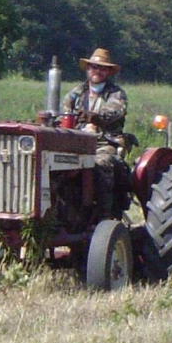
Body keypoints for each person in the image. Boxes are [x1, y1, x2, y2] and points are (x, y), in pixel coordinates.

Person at [63, 48, 128, 219]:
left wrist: (95, 117)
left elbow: (114, 111)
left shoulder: (116, 94)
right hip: (76, 143)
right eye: (94, 67)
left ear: (108, 72)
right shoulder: (75, 94)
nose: (97, 71)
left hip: (104, 143)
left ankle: (104, 217)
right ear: (87, 69)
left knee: (100, 165)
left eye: (102, 68)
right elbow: (64, 116)